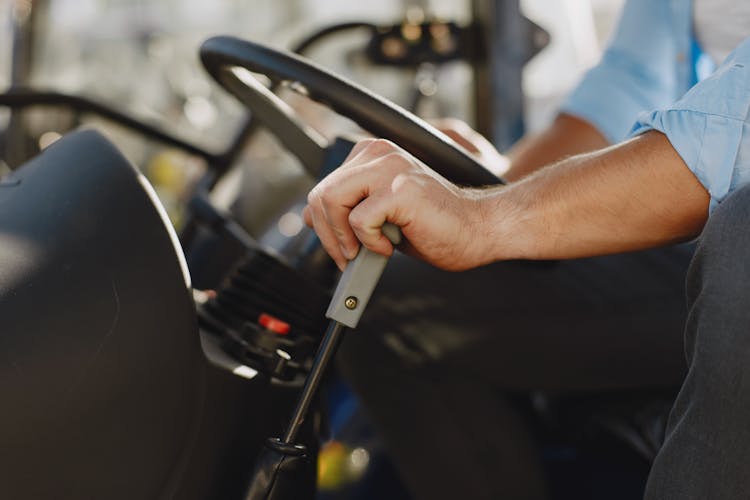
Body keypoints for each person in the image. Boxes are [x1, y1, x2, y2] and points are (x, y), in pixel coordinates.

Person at [305, 1, 750, 498]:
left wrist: (486, 217)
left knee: (741, 236)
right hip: (692, 244)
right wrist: (490, 184)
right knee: (391, 295)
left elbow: (734, 128)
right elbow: (626, 85)